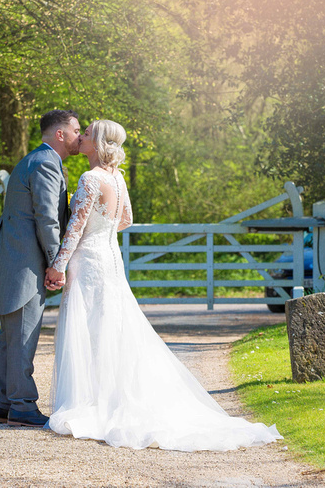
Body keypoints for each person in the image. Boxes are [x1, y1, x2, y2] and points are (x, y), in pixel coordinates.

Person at [44, 119, 282, 451]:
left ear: (97, 143)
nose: (80, 136)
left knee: (89, 328)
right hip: (111, 258)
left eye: (86, 133)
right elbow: (125, 219)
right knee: (110, 327)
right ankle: (108, 396)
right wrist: (104, 231)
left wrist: (58, 266)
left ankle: (92, 401)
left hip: (89, 260)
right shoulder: (118, 179)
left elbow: (75, 227)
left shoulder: (90, 178)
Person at [0, 109, 81, 427]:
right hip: (26, 264)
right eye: (76, 129)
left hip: (16, 259)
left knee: (10, 335)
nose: (80, 135)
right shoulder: (47, 162)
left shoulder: (35, 159)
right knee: (22, 332)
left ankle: (5, 403)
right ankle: (21, 404)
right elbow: (46, 218)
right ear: (60, 134)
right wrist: (55, 263)